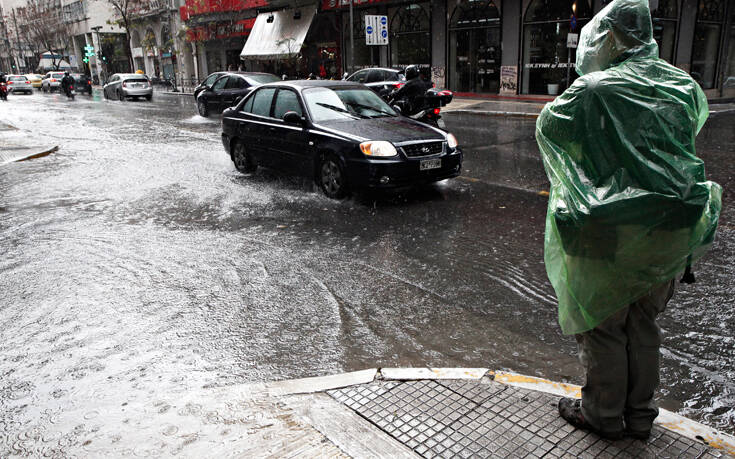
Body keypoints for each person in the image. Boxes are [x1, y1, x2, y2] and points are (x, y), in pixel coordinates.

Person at [536, 0, 721, 441]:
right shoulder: (685, 86)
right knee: (643, 323)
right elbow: (686, 133)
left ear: (612, 37)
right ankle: (639, 416)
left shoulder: (595, 89)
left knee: (604, 325)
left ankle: (602, 414)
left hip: (610, 224)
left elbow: (550, 129)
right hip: (673, 224)